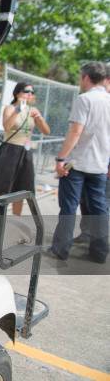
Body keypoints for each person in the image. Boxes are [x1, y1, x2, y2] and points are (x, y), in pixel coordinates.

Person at [50, 62, 110, 263]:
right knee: (99, 208)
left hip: (76, 163)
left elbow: (76, 132)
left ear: (86, 77)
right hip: (100, 164)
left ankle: (60, 249)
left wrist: (61, 158)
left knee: (68, 207)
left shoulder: (85, 99)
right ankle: (100, 252)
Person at [0, 82, 50, 215]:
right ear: (17, 93)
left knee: (21, 190)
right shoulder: (10, 108)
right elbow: (7, 127)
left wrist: (38, 117)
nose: (30, 94)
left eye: (32, 92)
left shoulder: (33, 110)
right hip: (10, 151)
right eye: (27, 91)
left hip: (25, 152)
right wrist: (18, 110)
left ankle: (16, 222)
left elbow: (46, 131)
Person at [74, 64, 110, 244]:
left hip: (103, 163)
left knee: (101, 204)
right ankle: (89, 236)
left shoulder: (92, 99)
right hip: (95, 161)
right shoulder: (100, 99)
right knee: (89, 202)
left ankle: (99, 243)